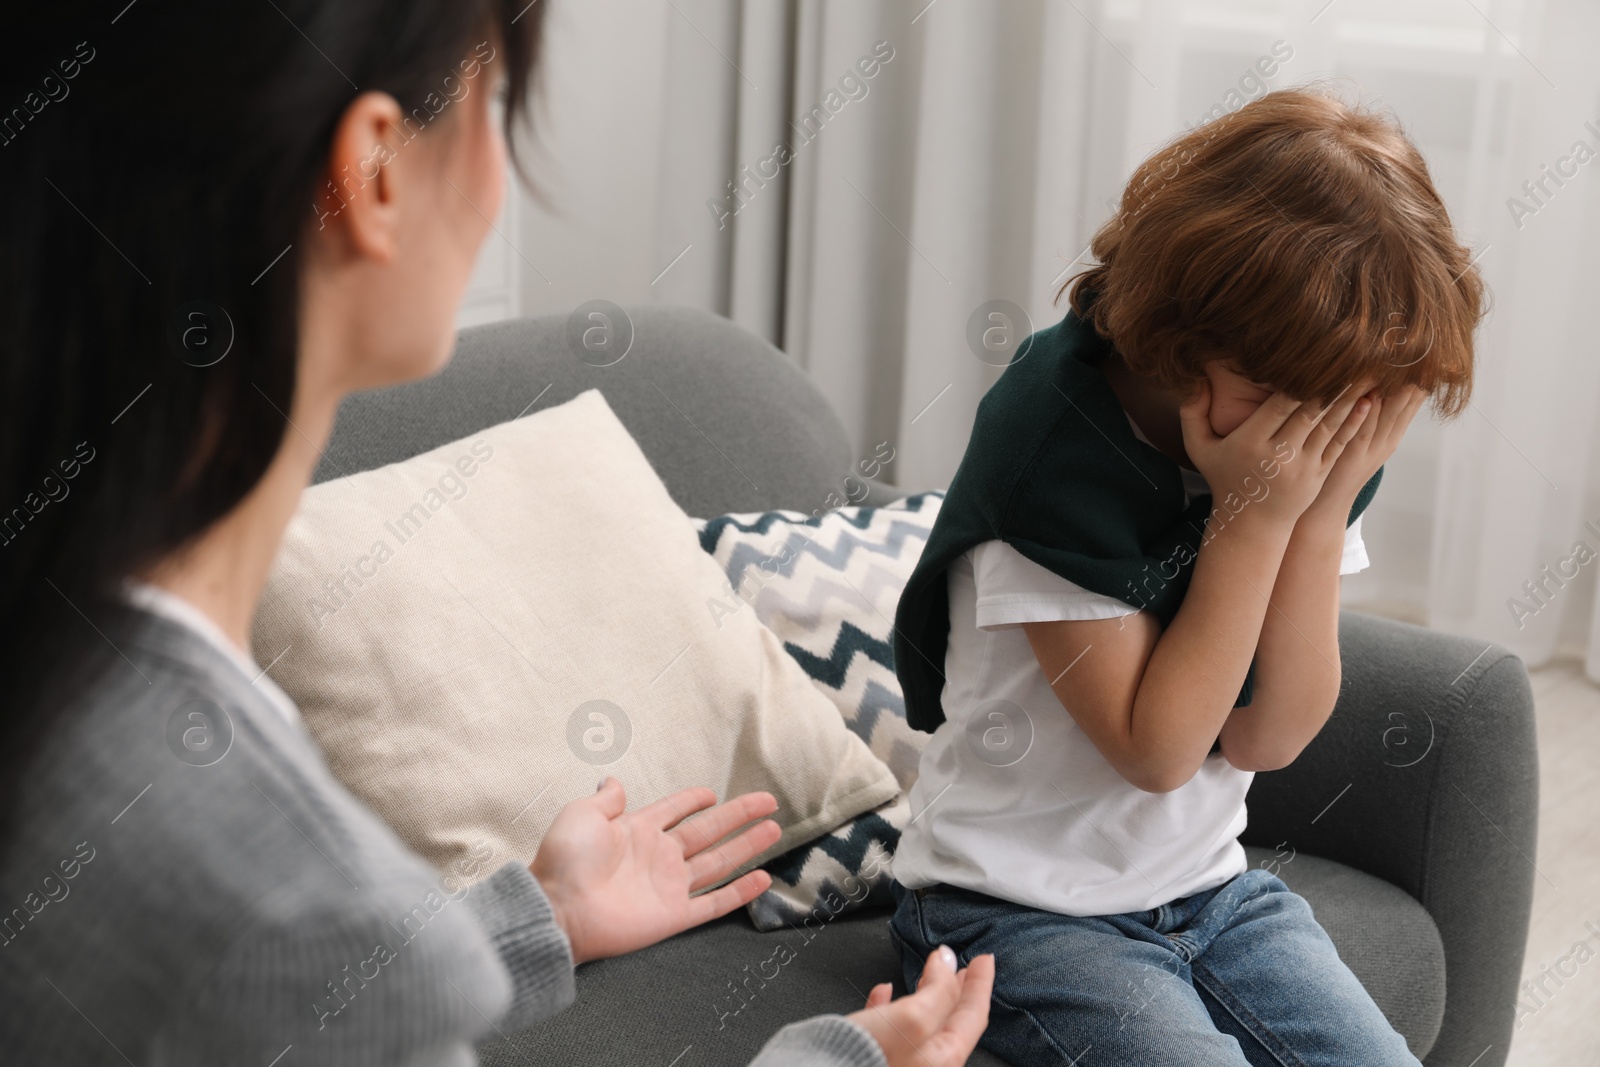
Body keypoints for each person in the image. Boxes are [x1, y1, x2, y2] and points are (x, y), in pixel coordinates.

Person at [0, 3, 993, 1064]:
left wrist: (536, 920)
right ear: (374, 172)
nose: (498, 177)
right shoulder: (300, 915)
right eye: (497, 109)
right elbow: (289, 976)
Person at [888, 87, 1484, 1066]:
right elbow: (1159, 749)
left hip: (1210, 889)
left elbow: (1267, 730)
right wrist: (1250, 519)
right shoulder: (1054, 440)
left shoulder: (1303, 432)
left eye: (1352, 402)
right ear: (1192, 337)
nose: (1324, 424)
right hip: (1005, 909)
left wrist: (1318, 510)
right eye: (1299, 394)